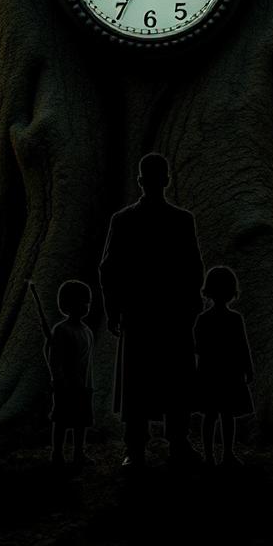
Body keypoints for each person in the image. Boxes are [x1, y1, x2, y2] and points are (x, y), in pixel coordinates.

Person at [100, 152, 204, 468]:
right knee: (174, 377)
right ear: (167, 179)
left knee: (138, 380)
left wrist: (112, 308)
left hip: (140, 313)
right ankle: (177, 442)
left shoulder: (124, 220)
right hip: (172, 313)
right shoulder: (181, 220)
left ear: (141, 180)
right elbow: (193, 266)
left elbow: (109, 268)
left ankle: (136, 448)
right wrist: (192, 302)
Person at [194, 265, 254, 466]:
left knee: (212, 416)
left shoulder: (203, 319)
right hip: (230, 374)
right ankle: (226, 453)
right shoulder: (234, 319)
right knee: (227, 416)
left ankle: (211, 455)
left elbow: (198, 347)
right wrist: (248, 369)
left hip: (210, 373)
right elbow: (242, 347)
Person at [44, 279, 94, 468]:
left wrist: (89, 384)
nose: (86, 306)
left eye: (87, 302)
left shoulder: (87, 331)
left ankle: (79, 452)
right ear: (68, 304)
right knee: (62, 420)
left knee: (81, 421)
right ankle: (57, 452)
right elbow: (54, 359)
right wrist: (58, 379)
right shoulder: (61, 330)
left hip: (84, 386)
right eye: (81, 301)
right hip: (66, 385)